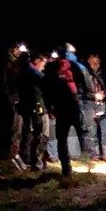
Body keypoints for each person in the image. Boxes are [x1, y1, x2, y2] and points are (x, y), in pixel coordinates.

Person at [43, 46, 87, 179]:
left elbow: (47, 90)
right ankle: (70, 167)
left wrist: (49, 106)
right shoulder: (60, 67)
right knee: (73, 135)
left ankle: (69, 167)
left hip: (65, 106)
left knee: (68, 137)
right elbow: (82, 84)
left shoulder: (58, 68)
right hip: (67, 106)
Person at [16, 50, 50, 172]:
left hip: (34, 106)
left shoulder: (23, 72)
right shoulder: (32, 72)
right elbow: (45, 82)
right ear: (36, 61)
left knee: (33, 133)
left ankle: (32, 160)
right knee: (40, 133)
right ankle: (37, 163)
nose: (44, 66)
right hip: (37, 106)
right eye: (44, 63)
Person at [83, 52, 106, 162]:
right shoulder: (84, 73)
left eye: (97, 61)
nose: (95, 64)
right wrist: (93, 95)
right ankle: (94, 155)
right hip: (89, 104)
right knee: (91, 131)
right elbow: (80, 91)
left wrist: (104, 93)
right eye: (93, 61)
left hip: (105, 104)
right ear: (88, 61)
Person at [2, 41, 27, 169]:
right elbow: (7, 83)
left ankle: (18, 154)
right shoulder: (8, 65)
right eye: (17, 49)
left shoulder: (21, 64)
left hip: (22, 100)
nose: (19, 51)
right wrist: (12, 98)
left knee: (21, 128)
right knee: (15, 128)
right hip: (14, 101)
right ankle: (13, 155)